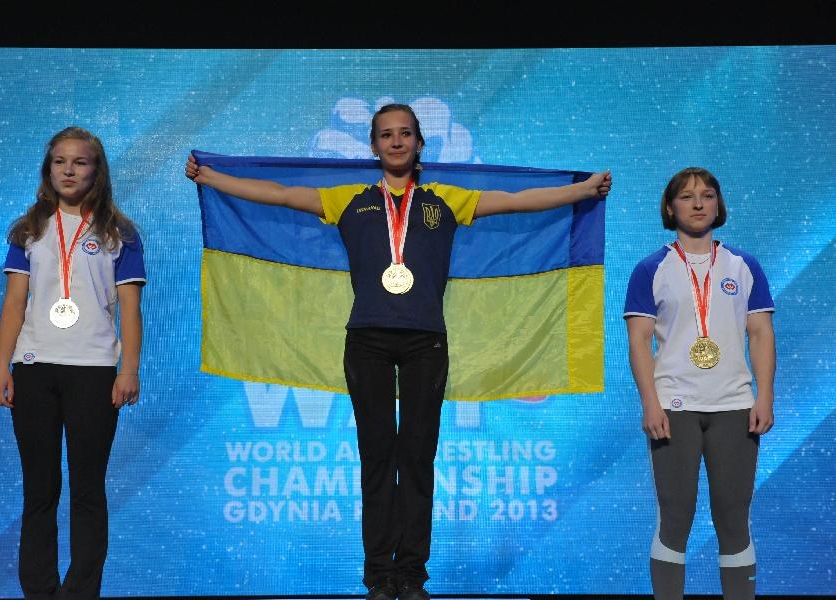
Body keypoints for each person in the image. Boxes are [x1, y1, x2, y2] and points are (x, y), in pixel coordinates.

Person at [186, 103, 611, 600]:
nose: (395, 142)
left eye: (405, 133)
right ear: (372, 146)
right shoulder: (349, 199)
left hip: (425, 342)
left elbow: (514, 202)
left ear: (419, 143)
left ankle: (410, 575)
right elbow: (279, 194)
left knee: (416, 458)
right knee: (376, 458)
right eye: (386, 135)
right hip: (365, 340)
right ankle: (377, 576)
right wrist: (214, 179)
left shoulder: (446, 200)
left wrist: (581, 192)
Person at [0, 126, 147, 600]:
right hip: (35, 368)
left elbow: (130, 309)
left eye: (80, 162)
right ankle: (38, 591)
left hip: (96, 371)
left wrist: (129, 368)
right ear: (48, 169)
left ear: (96, 170)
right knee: (39, 489)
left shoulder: (120, 233)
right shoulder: (29, 230)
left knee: (87, 489)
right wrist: (1, 367)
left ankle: (81, 591)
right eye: (60, 162)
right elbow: (14, 305)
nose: (69, 170)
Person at [623, 167, 775, 600]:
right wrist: (650, 403)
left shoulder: (743, 266)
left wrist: (764, 395)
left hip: (734, 407)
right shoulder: (650, 268)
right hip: (674, 405)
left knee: (733, 518)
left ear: (718, 205)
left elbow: (761, 334)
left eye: (707, 195)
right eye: (687, 197)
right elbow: (638, 342)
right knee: (675, 516)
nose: (698, 203)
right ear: (671, 207)